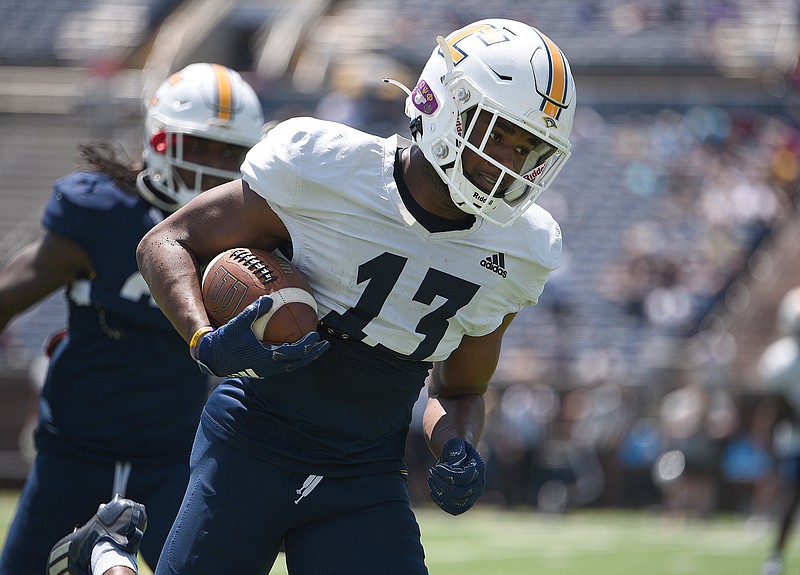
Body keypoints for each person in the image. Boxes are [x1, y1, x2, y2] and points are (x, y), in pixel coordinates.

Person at [59, 18, 577, 575]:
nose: (509, 164)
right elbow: (168, 240)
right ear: (446, 105)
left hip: (364, 472)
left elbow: (460, 390)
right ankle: (108, 556)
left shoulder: (521, 249)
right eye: (497, 132)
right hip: (252, 446)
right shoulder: (324, 167)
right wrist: (204, 338)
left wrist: (457, 446)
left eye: (528, 149)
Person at [0, 63, 265, 575]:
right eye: (201, 146)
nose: (214, 166)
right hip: (73, 451)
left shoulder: (248, 239)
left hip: (172, 459)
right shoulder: (102, 214)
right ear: (161, 141)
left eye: (229, 153)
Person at [758, 287, 800, 575]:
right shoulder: (783, 361)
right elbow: (780, 410)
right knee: (791, 496)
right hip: (797, 439)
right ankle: (775, 555)